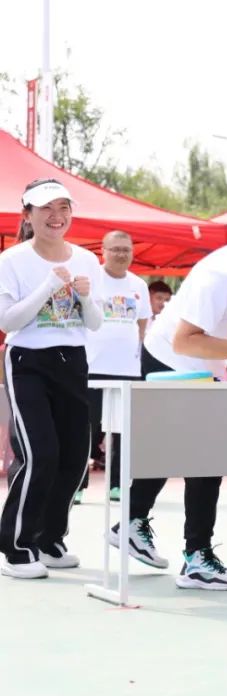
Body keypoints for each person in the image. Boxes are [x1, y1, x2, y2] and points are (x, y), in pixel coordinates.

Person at [108, 192, 227, 590]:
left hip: (202, 362)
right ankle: (197, 558)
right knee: (205, 456)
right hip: (171, 359)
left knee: (178, 452)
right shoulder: (220, 275)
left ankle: (130, 521)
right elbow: (185, 341)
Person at [0, 178, 103, 579]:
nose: (56, 216)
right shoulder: (12, 260)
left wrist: (85, 297)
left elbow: (93, 323)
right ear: (27, 214)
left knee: (76, 458)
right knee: (40, 454)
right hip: (28, 361)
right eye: (46, 208)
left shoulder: (87, 260)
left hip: (72, 360)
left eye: (63, 208)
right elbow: (8, 322)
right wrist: (48, 286)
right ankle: (17, 547)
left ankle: (49, 539)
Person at [77, 231, 152, 504]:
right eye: (116, 249)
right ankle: (78, 484)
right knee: (87, 429)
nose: (121, 255)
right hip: (92, 367)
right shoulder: (91, 279)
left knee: (123, 431)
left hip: (127, 369)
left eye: (126, 250)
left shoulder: (139, 284)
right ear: (103, 251)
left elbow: (143, 323)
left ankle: (118, 485)